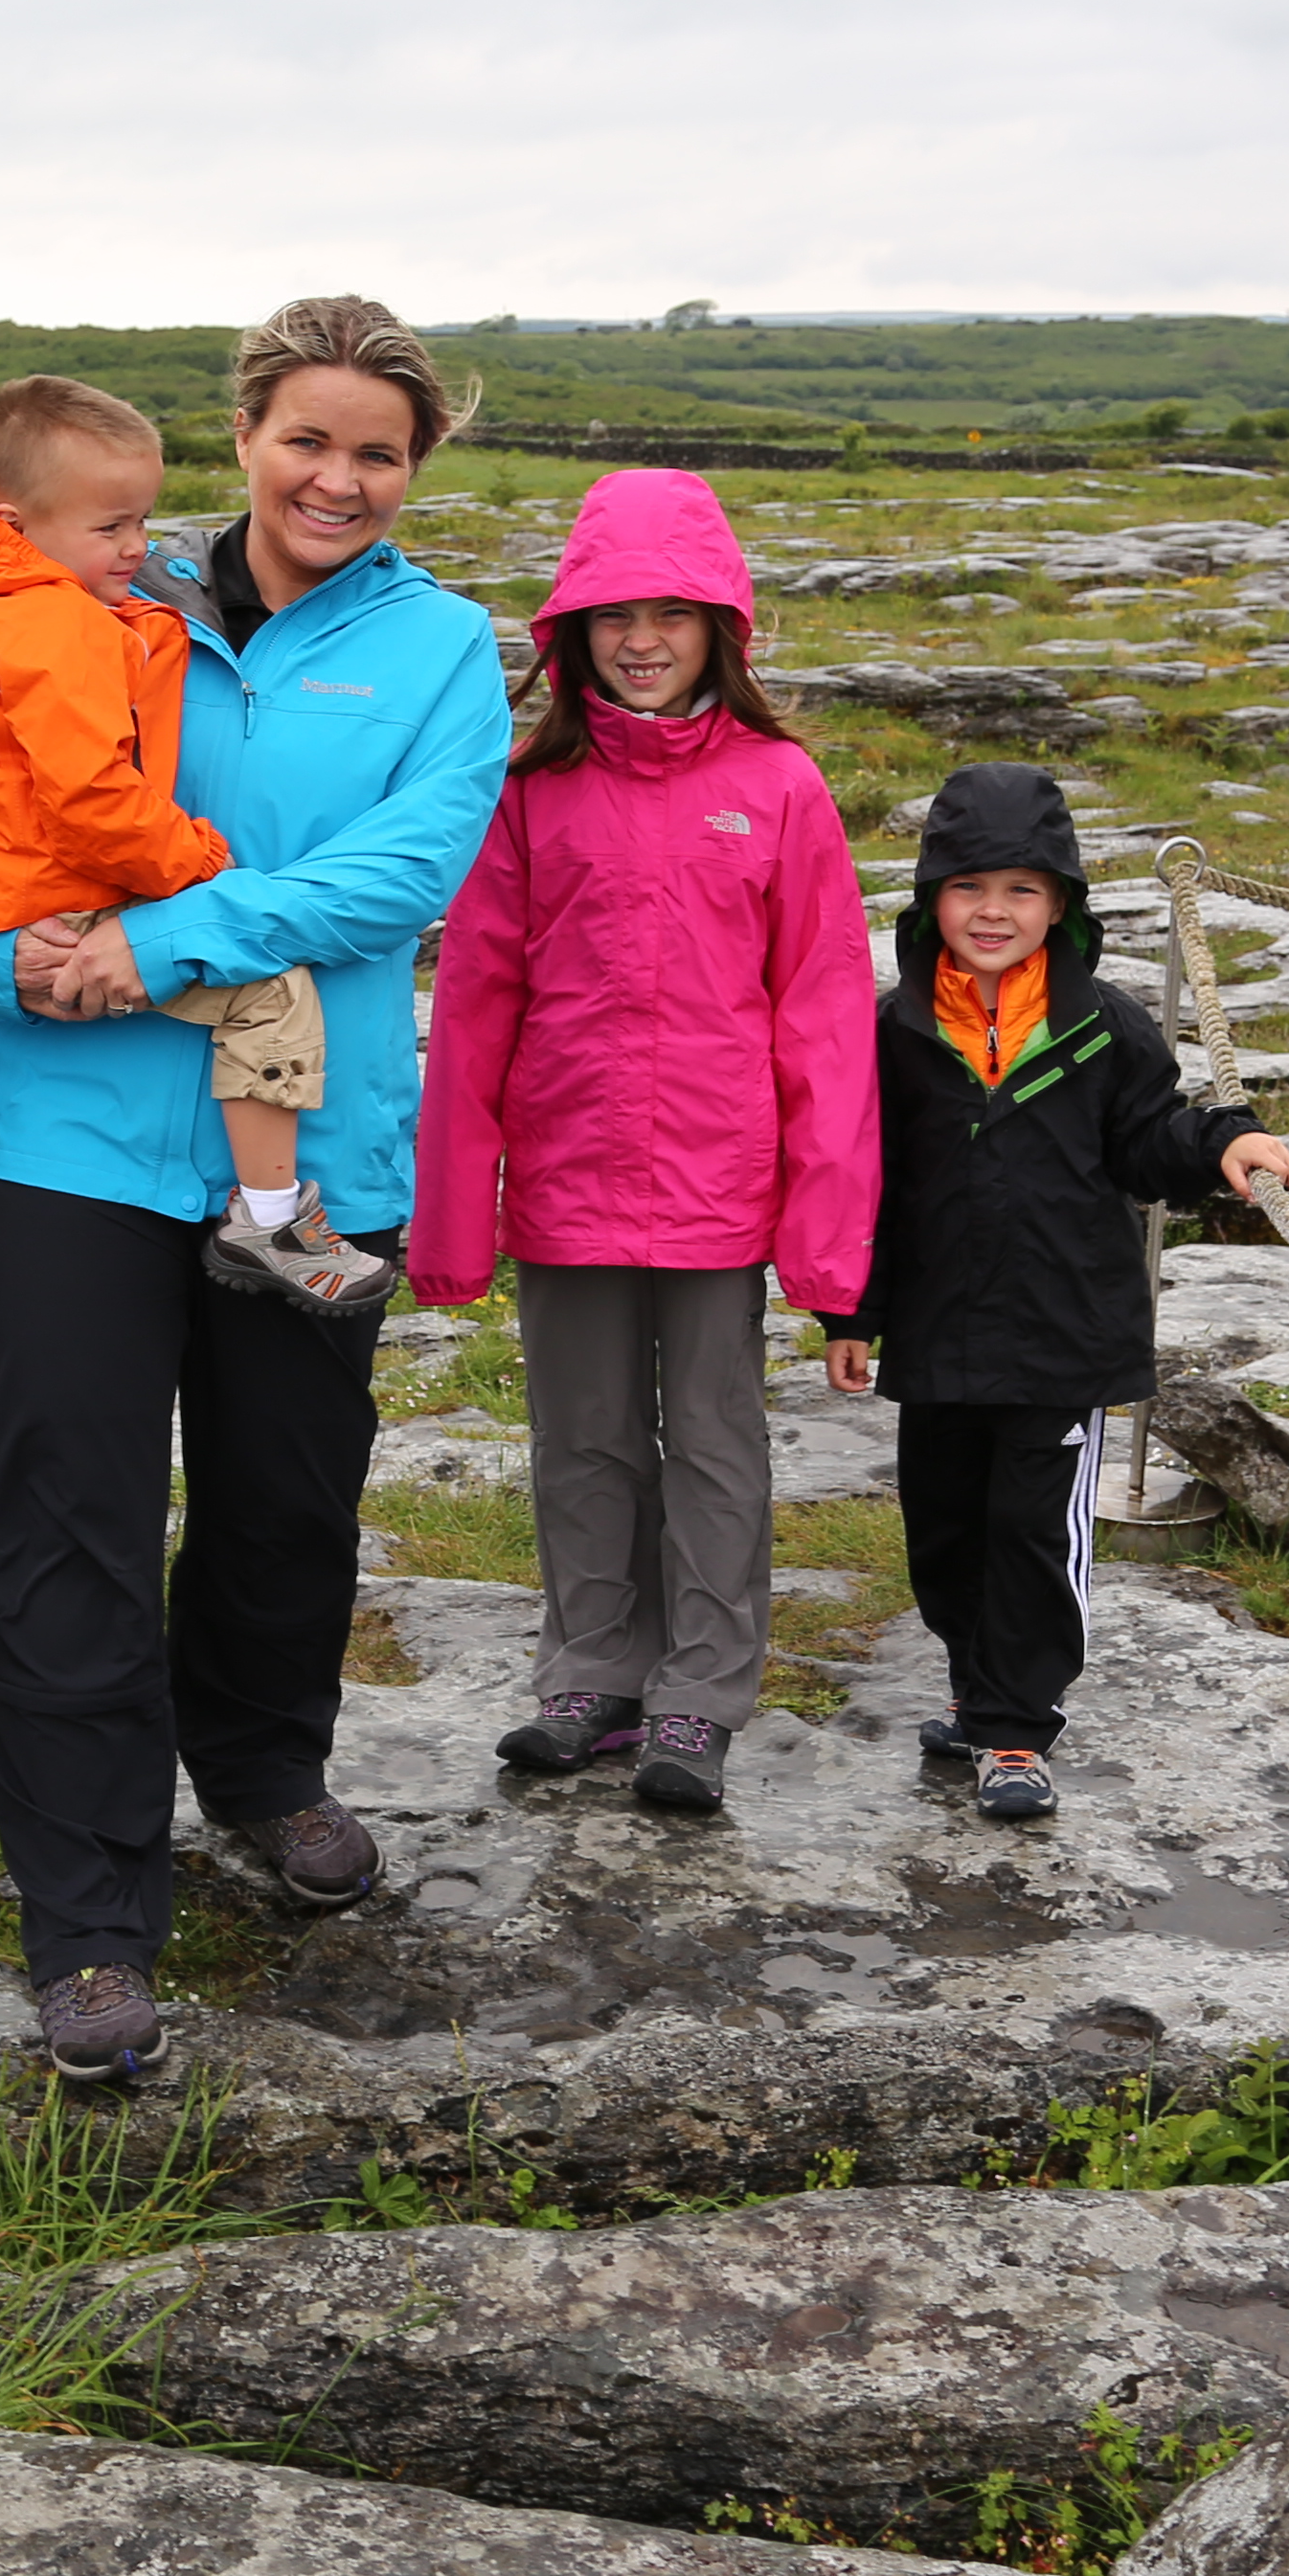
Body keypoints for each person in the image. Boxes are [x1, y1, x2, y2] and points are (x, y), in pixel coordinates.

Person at [0, 292, 507, 2085]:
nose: (337, 476)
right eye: (307, 437)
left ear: (414, 470)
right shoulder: (80, 598)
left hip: (317, 1151)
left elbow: (398, 875)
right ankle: (87, 1909)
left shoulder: (445, 649)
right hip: (71, 1144)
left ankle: (262, 1772)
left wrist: (153, 940)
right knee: (67, 1525)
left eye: (376, 452)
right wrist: (14, 971)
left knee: (284, 1501)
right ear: (242, 432)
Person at [411, 464, 877, 1815]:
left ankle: (700, 1698)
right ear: (570, 634)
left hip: (725, 1189)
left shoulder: (782, 786)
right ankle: (592, 1671)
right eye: (613, 613)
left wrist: (832, 1247)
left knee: (719, 1447)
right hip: (567, 1183)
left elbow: (828, 1023)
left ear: (723, 627)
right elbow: (480, 1006)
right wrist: (452, 1211)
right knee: (583, 1439)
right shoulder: (530, 792)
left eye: (674, 612)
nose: (643, 641)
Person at [0, 376, 393, 1313]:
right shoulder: (57, 626)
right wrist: (202, 865)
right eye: (113, 528)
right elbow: (96, 799)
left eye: (144, 520)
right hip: (66, 886)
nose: (138, 549)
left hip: (6, 884)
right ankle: (270, 1218)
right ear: (16, 525)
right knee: (272, 998)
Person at [820, 762, 1289, 1825]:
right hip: (940, 1336)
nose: (994, 912)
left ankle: (1018, 1726)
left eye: (1023, 891)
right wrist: (850, 1311)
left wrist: (1227, 1137)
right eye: (970, 888)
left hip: (1064, 1337)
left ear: (1064, 907)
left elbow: (1151, 1139)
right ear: (929, 901)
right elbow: (866, 1188)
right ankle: (972, 1681)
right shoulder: (893, 1033)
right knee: (943, 1527)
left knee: (1035, 1532)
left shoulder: (1105, 1029)